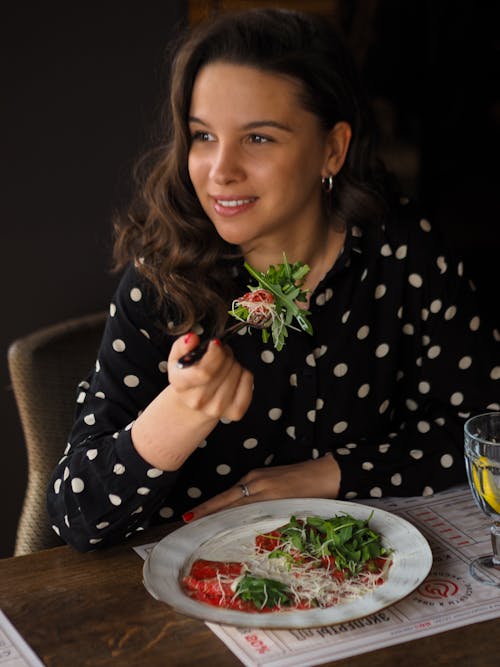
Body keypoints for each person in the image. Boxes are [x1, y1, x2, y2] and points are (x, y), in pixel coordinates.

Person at [47, 8, 499, 552]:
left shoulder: (400, 252)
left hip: (355, 579)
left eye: (258, 138)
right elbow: (75, 517)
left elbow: (487, 426)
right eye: (203, 136)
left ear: (332, 148)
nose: (220, 171)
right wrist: (184, 410)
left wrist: (328, 473)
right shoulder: (162, 281)